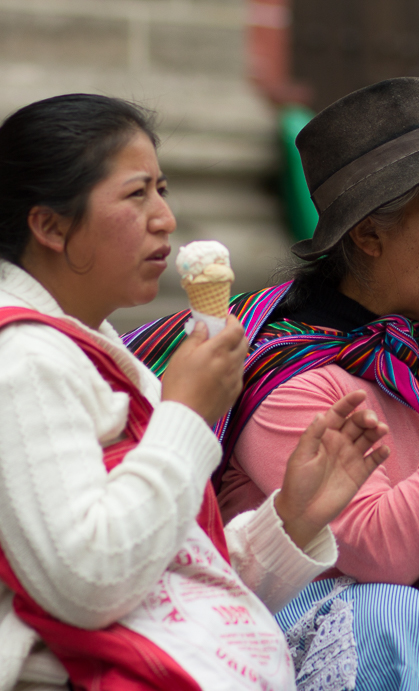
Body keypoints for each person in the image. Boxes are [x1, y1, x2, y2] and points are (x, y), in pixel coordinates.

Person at [128, 78, 419, 691]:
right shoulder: (290, 370)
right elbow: (381, 551)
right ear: (369, 235)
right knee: (393, 617)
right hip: (333, 611)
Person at [0, 93, 390, 691]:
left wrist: (292, 516)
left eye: (162, 189)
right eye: (137, 194)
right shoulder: (23, 362)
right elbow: (89, 583)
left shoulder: (93, 349)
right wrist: (185, 414)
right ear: (50, 226)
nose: (165, 219)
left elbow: (170, 584)